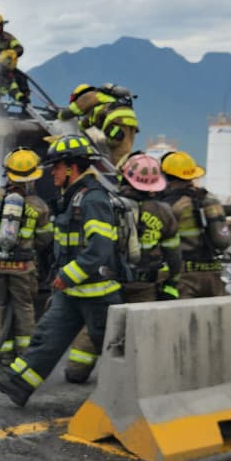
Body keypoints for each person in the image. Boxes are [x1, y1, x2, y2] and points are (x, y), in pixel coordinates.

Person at [0, 134, 123, 407]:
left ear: (72, 168)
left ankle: (131, 393)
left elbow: (100, 248)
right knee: (46, 336)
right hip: (72, 291)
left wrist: (67, 275)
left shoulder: (93, 199)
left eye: (56, 167)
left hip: (97, 292)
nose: (51, 173)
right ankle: (19, 384)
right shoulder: (72, 198)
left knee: (112, 347)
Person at [62, 152, 181, 382]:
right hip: (146, 284)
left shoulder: (107, 203)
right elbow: (174, 255)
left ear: (125, 178)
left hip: (111, 281)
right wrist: (172, 281)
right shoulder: (164, 212)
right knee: (143, 331)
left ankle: (77, 369)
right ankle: (139, 376)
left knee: (98, 323)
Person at [0, 148, 53, 366]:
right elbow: (46, 238)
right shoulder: (39, 206)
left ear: (7, 173)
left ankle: (4, 355)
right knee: (24, 308)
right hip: (21, 266)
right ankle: (26, 356)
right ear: (33, 177)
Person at [159, 150, 231, 298]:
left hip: (185, 277)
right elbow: (223, 241)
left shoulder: (170, 206)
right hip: (214, 275)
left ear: (166, 176)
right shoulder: (211, 201)